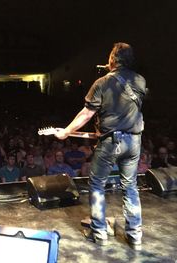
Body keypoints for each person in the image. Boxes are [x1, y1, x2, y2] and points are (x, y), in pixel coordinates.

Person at [55, 43, 146, 250]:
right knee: (130, 185)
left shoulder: (102, 82)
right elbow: (130, 107)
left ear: (112, 59)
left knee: (97, 185)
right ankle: (135, 235)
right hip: (134, 141)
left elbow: (86, 114)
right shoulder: (140, 80)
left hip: (111, 141)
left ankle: (99, 232)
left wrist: (66, 131)